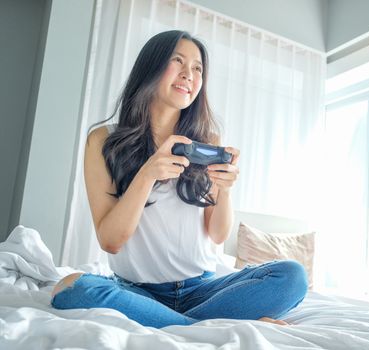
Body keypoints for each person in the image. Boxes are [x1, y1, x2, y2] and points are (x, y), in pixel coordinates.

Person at [50, 30, 308, 328]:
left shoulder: (207, 140)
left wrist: (225, 191)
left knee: (292, 276)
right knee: (73, 288)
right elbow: (110, 240)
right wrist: (147, 173)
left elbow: (218, 234)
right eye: (178, 61)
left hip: (203, 289)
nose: (189, 74)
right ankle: (206, 327)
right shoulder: (104, 140)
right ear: (152, 66)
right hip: (136, 291)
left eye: (197, 68)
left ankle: (179, 326)